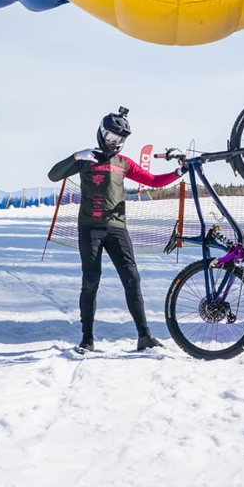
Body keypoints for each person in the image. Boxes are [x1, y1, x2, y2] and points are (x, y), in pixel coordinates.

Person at [48, 107, 183, 353]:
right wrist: (76, 156)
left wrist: (177, 173)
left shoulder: (123, 163)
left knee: (132, 280)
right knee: (90, 281)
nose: (115, 144)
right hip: (90, 229)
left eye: (120, 140)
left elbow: (152, 181)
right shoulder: (87, 159)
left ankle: (144, 336)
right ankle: (87, 340)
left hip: (117, 229)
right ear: (101, 134)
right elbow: (53, 175)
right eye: (111, 138)